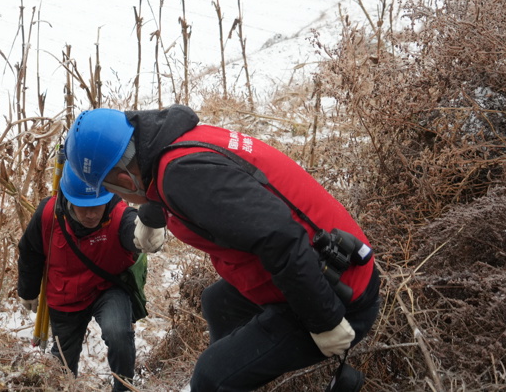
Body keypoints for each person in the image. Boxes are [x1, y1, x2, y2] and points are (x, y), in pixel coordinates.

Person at [64, 105, 381, 392]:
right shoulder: (165, 145)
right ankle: (241, 373)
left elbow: (280, 237)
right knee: (217, 302)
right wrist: (149, 216)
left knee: (210, 379)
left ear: (124, 178)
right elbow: (156, 182)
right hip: (303, 269)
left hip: (336, 292)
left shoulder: (183, 176)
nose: (119, 199)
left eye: (111, 189)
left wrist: (324, 321)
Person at [16, 162, 165, 391]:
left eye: (97, 205)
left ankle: (124, 388)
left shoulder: (117, 212)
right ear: (68, 201)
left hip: (108, 288)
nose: (91, 214)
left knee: (119, 334)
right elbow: (30, 251)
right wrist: (27, 290)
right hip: (65, 294)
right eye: (83, 206)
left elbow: (130, 228)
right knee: (62, 363)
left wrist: (142, 234)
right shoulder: (48, 215)